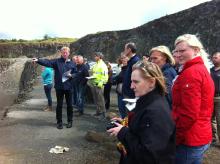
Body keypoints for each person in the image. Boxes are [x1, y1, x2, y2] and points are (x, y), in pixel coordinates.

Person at [107, 61, 175, 164]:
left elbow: (148, 155)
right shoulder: (147, 100)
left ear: (152, 82)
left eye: (136, 82)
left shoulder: (156, 112)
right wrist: (124, 124)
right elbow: (142, 129)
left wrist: (123, 132)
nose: (131, 86)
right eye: (131, 81)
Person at [172, 34, 214, 163]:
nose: (178, 55)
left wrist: (176, 137)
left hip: (189, 138)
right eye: (176, 51)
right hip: (200, 134)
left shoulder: (191, 73)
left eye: (183, 50)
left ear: (196, 50)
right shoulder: (200, 69)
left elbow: (189, 114)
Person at [32, 46, 76, 129]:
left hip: (69, 87)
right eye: (63, 52)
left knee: (69, 105)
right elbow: (47, 62)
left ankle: (70, 121)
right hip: (59, 87)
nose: (65, 54)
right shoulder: (56, 62)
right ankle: (59, 122)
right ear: (61, 53)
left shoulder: (72, 63)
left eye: (66, 52)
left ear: (69, 53)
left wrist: (72, 75)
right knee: (59, 105)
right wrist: (38, 60)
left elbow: (76, 73)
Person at [88, 52, 108, 118]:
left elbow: (105, 76)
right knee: (96, 99)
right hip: (94, 84)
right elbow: (94, 73)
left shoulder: (103, 65)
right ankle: (98, 112)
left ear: (99, 57)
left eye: (96, 56)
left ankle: (103, 114)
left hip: (99, 85)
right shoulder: (96, 64)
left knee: (100, 100)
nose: (94, 57)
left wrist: (101, 83)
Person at [113, 53, 129, 119]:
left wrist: (117, 79)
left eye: (124, 58)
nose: (123, 59)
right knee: (121, 110)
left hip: (125, 93)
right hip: (120, 92)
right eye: (122, 58)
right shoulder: (123, 68)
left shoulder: (129, 68)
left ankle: (124, 126)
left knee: (125, 112)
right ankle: (123, 124)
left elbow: (124, 78)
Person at [210, 52, 220, 144]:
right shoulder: (211, 70)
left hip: (219, 98)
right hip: (211, 97)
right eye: (213, 57)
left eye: (216, 57)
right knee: (211, 119)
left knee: (219, 119)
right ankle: (214, 138)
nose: (213, 59)